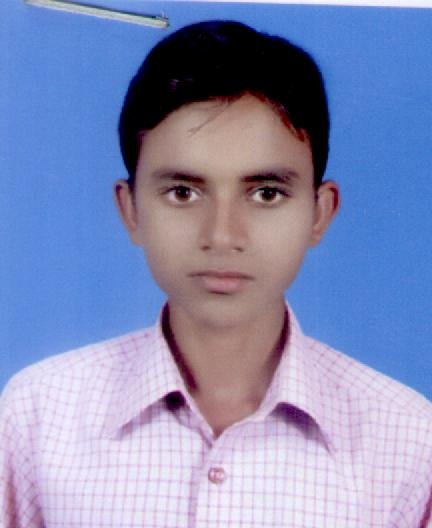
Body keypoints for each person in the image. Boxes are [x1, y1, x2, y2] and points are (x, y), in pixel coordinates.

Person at [1, 19, 431, 528]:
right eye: (183, 192)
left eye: (266, 193)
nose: (223, 235)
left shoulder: (408, 441)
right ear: (130, 209)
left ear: (319, 213)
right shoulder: (37, 417)